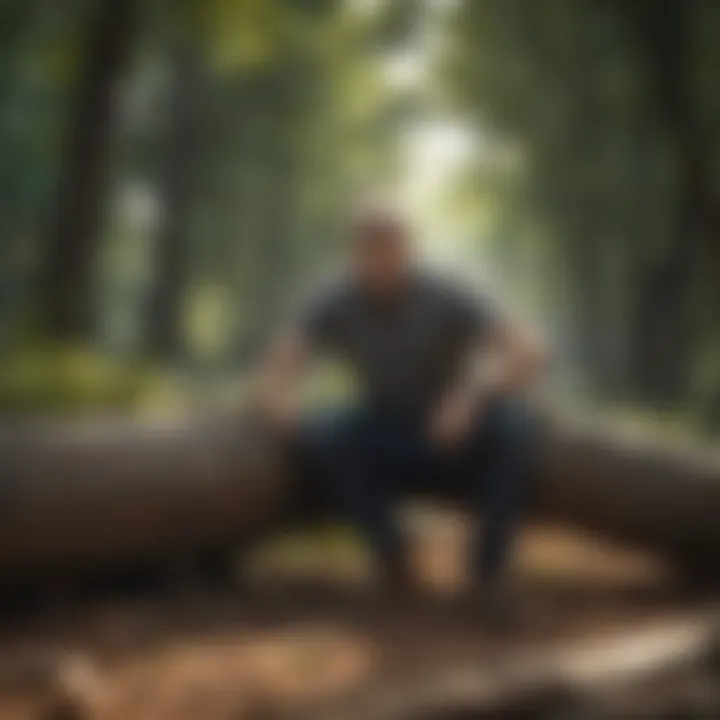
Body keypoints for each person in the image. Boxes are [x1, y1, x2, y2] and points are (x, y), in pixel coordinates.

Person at [255, 204, 548, 601]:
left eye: (392, 246)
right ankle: (393, 554)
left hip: (459, 426)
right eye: (371, 247)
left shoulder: (447, 291)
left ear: (409, 248)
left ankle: (488, 573)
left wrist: (472, 394)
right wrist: (280, 400)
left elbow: (527, 350)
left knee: (516, 427)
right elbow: (281, 363)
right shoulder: (335, 298)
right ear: (353, 252)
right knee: (324, 435)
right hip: (387, 425)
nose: (382, 258)